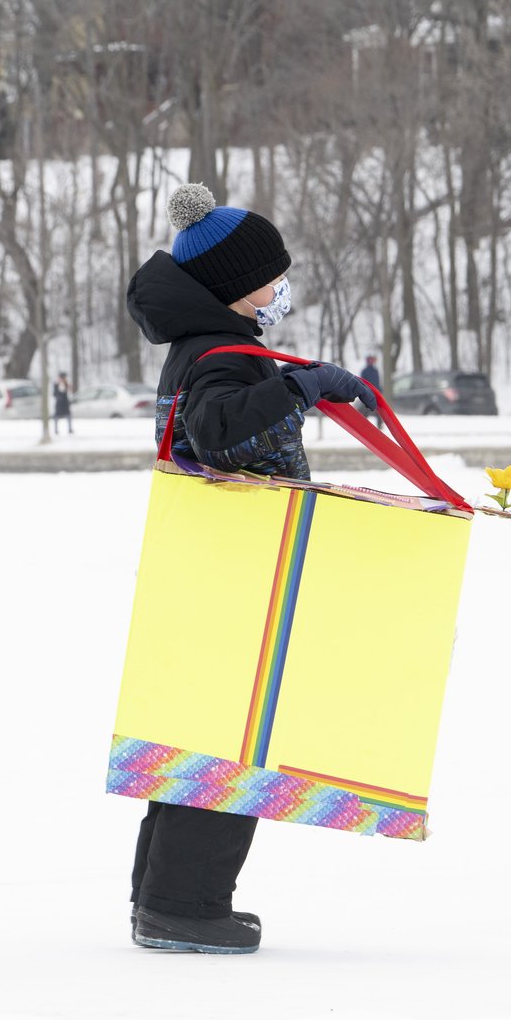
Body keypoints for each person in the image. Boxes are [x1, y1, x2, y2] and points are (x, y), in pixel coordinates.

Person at [120, 182, 376, 955]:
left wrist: (292, 382)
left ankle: (160, 897)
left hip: (211, 569)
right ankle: (185, 907)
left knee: (195, 734)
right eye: (272, 276)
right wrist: (300, 385)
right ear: (236, 287)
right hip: (237, 575)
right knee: (228, 742)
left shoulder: (202, 347)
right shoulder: (221, 355)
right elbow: (220, 432)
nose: (281, 287)